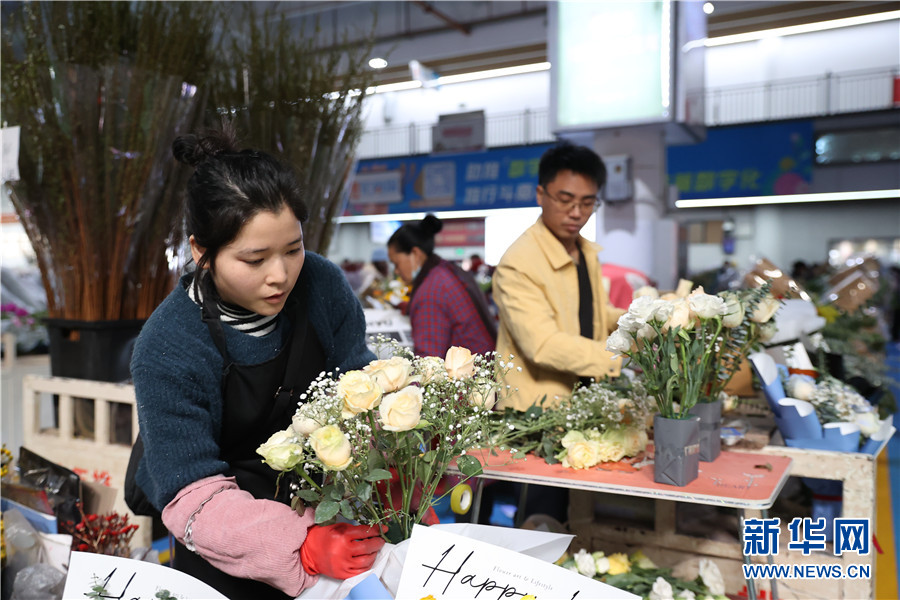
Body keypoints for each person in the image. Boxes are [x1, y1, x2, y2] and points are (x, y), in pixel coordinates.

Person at [129, 128, 384, 597]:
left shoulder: (321, 285)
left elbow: (359, 387)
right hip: (225, 537)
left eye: (293, 249)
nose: (280, 275)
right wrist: (300, 543)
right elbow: (194, 494)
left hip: (330, 520)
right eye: (254, 259)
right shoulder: (169, 345)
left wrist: (394, 473)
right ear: (202, 252)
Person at [493, 141, 622, 412]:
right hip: (534, 412)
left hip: (583, 399)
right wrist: (621, 358)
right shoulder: (518, 263)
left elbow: (594, 313)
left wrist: (640, 321)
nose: (576, 213)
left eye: (587, 203)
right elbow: (543, 345)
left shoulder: (586, 252)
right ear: (541, 194)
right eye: (565, 200)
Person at [387, 214, 496, 357]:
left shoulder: (430, 290)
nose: (396, 271)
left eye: (396, 263)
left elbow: (428, 360)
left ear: (415, 254)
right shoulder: (444, 271)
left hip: (471, 369)